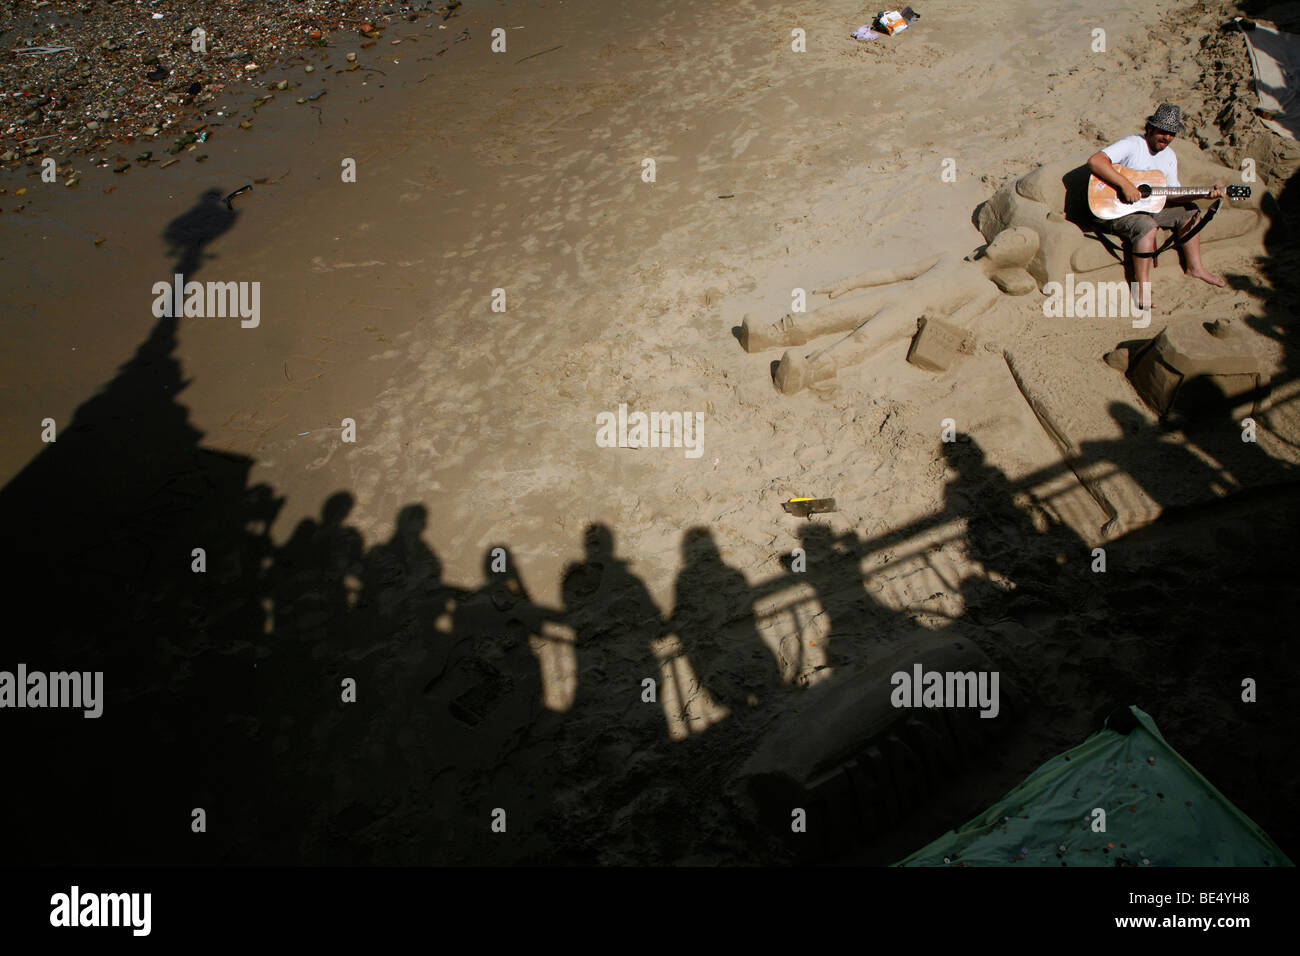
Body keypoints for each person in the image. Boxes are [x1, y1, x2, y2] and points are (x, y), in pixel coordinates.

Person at [1086, 103, 1225, 310]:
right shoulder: (1133, 144)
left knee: (1191, 210)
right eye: (1162, 131)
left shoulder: (1169, 157)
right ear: (1150, 128)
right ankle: (1142, 288)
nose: (1166, 138)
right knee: (1146, 225)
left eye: (1171, 134)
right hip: (1114, 208)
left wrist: (1204, 194)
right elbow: (1095, 161)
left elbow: (1172, 195)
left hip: (1147, 207)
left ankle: (1195, 268)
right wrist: (1125, 185)